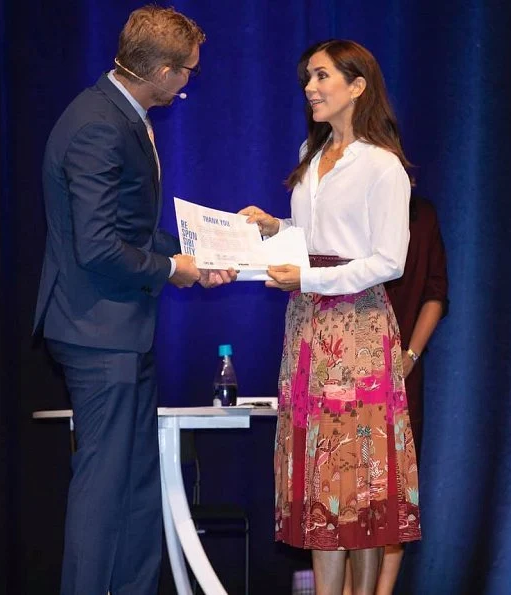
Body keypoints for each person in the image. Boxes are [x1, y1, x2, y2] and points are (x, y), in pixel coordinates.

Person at [33, 6, 235, 594]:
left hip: (120, 330)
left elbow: (128, 228)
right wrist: (176, 268)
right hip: (96, 333)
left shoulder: (121, 111)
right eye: (189, 72)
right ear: (162, 71)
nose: (190, 82)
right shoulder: (98, 124)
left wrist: (206, 249)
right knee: (103, 487)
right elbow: (97, 249)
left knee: (136, 483)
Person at [240, 39, 420, 595]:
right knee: (318, 474)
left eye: (321, 77)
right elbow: (313, 241)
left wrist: (312, 278)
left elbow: (388, 260)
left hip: (357, 331)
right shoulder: (311, 154)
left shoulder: (382, 165)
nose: (310, 88)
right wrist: (276, 230)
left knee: (358, 477)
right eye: (307, 79)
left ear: (357, 86)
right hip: (307, 329)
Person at [367, 195, 448, 595]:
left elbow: (436, 292)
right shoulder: (352, 206)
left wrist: (411, 355)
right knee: (350, 492)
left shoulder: (420, 213)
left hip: (401, 371)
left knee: (394, 494)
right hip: (350, 365)